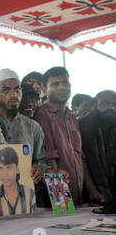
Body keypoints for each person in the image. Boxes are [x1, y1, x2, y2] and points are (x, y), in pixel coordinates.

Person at [0, 68, 47, 206]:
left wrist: (38, 172)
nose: (14, 94)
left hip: (25, 201)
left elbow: (41, 161)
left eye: (17, 90)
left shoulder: (33, 127)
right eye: (6, 90)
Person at [33, 67, 87, 205]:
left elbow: (80, 156)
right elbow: (49, 157)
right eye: (55, 84)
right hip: (58, 198)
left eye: (65, 82)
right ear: (44, 90)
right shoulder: (42, 114)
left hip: (78, 195)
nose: (62, 87)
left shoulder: (72, 117)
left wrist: (93, 192)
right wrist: (61, 201)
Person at [79, 90, 116, 201]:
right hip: (93, 190)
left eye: (114, 104)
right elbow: (91, 160)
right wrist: (97, 190)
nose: (110, 108)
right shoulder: (86, 123)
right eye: (105, 103)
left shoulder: (113, 123)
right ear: (95, 104)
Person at [0, 147, 36, 216]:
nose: (4, 174)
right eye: (1, 168)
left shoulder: (30, 194)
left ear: (17, 169)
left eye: (9, 167)